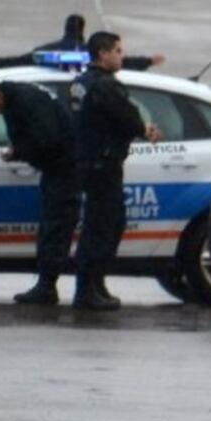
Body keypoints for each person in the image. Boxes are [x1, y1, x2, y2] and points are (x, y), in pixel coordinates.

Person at [70, 31, 162, 310]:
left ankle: (95, 285)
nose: (122, 56)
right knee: (103, 227)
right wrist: (144, 129)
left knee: (103, 225)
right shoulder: (106, 86)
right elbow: (128, 117)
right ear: (103, 53)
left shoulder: (81, 82)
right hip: (103, 164)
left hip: (90, 162)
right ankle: (88, 289)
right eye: (118, 51)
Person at [0, 79, 78, 305]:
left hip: (64, 169)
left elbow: (46, 138)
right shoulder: (18, 98)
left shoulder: (25, 102)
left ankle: (47, 286)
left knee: (55, 227)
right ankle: (47, 284)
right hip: (59, 168)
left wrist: (19, 151)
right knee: (52, 226)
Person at [0, 14, 165, 71]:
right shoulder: (92, 53)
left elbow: (19, 61)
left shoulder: (46, 53)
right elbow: (125, 62)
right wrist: (149, 61)